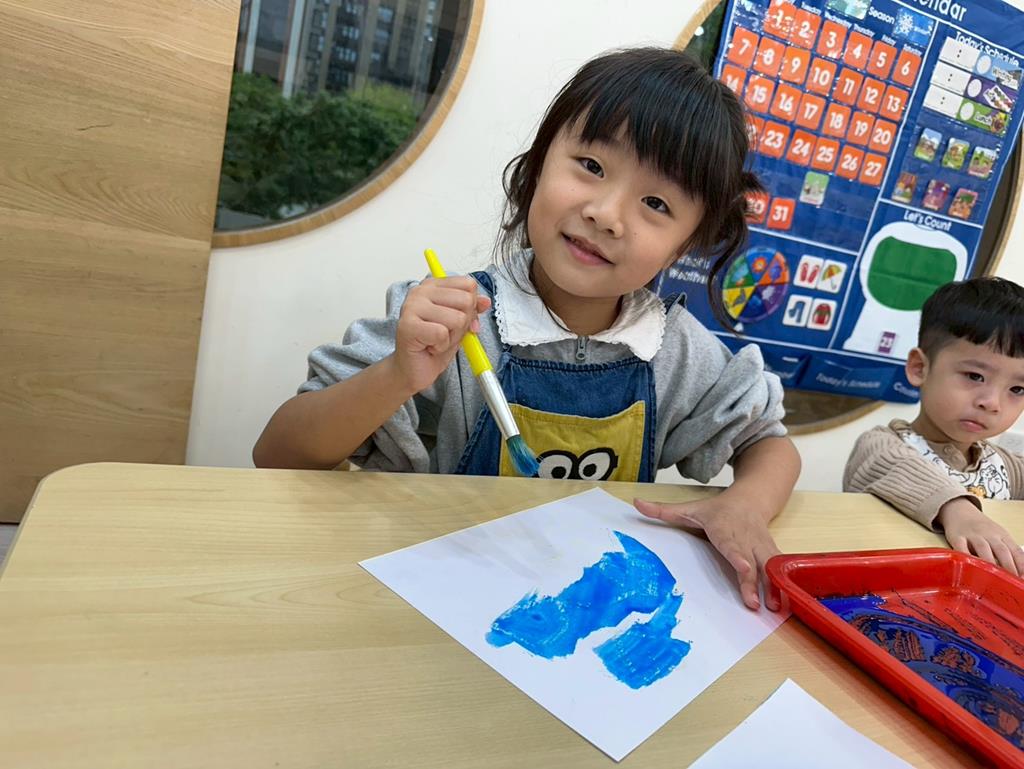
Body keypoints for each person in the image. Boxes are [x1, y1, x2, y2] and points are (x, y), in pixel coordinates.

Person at [253, 47, 801, 610]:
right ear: (539, 164)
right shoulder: (448, 321)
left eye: (656, 203)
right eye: (592, 166)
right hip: (448, 603)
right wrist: (398, 373)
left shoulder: (674, 350)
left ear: (683, 246)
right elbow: (279, 454)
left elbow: (769, 444)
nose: (606, 214)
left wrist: (745, 506)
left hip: (591, 611)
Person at [845, 277, 1024, 575]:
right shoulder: (882, 446)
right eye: (975, 376)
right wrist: (958, 510)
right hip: (890, 586)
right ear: (920, 368)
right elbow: (895, 468)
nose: (992, 403)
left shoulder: (1003, 466)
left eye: (1017, 389)